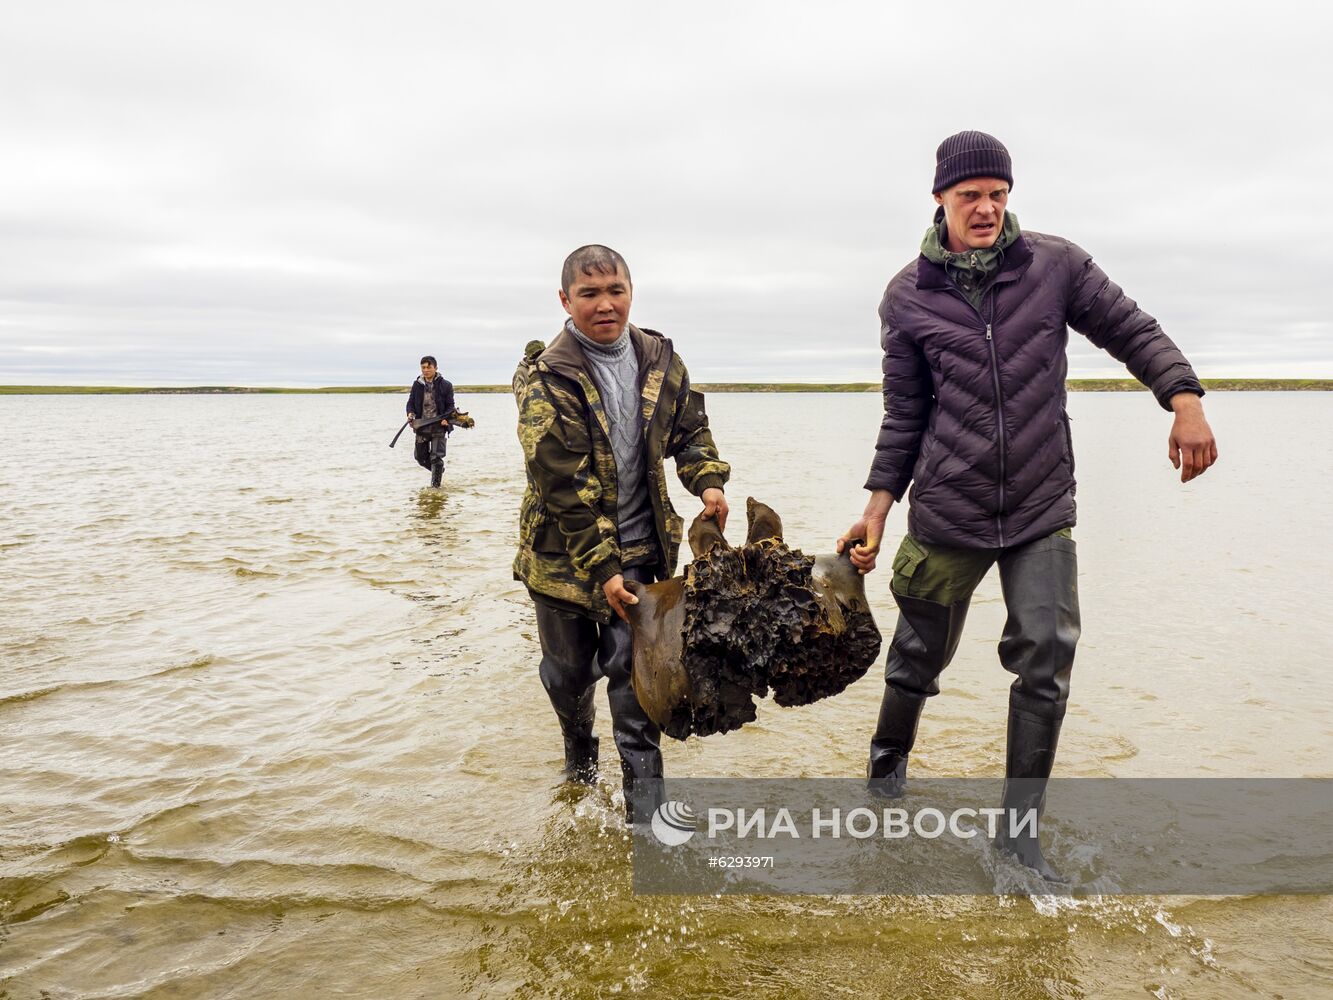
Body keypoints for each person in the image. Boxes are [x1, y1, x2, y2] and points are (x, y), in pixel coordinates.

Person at [838, 131, 1218, 878]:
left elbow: (1129, 329)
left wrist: (1184, 397)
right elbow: (903, 414)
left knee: (1045, 659)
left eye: (997, 194)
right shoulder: (907, 296)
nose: (984, 209)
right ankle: (885, 776)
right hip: (948, 506)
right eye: (969, 195)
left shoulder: (1054, 265)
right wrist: (878, 509)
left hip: (1041, 504)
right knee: (917, 656)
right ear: (939, 199)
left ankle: (1016, 839)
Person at [513, 245, 730, 823]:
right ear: (565, 300)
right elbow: (559, 483)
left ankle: (648, 829)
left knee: (637, 697)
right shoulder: (545, 377)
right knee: (567, 679)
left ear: (631, 293)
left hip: (641, 555)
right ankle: (578, 768)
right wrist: (601, 569)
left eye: (616, 292)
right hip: (563, 560)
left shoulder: (660, 358)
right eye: (589, 294)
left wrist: (706, 481)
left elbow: (691, 431)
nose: (605, 305)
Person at [406, 356, 455, 488]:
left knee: (435, 458)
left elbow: (451, 405)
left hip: (439, 426)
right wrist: (410, 413)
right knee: (420, 458)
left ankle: (435, 490)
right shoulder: (417, 385)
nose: (426, 370)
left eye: (429, 367)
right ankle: (438, 470)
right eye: (423, 367)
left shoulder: (446, 385)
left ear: (435, 368)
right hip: (422, 426)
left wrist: (446, 418)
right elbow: (410, 403)